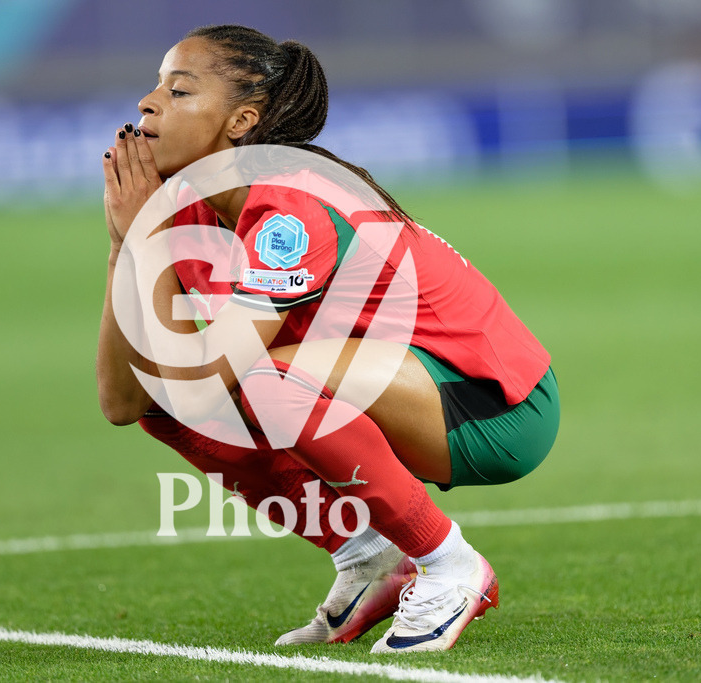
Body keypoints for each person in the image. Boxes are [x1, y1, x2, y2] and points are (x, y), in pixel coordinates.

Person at [97, 24, 560, 653]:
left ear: (242, 121)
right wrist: (129, 244)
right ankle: (370, 552)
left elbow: (201, 378)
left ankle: (449, 564)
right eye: (155, 87)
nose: (149, 103)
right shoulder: (189, 211)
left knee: (268, 379)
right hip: (392, 392)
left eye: (178, 91)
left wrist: (144, 241)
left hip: (491, 407)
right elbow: (127, 402)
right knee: (174, 400)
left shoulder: (289, 209)